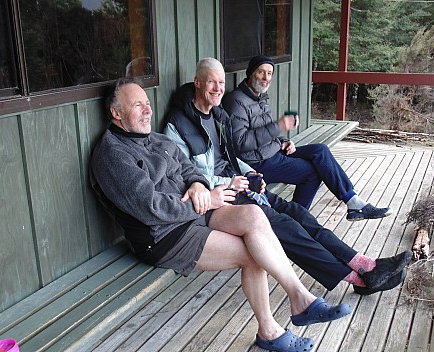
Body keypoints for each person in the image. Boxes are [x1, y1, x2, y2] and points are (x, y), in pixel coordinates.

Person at [90, 77, 354, 352]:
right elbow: (151, 209)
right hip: (164, 235)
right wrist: (205, 200)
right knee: (253, 254)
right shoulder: (113, 155)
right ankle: (271, 330)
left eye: (147, 103)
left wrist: (197, 185)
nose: (147, 110)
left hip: (194, 213)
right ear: (116, 113)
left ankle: (300, 298)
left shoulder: (154, 139)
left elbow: (188, 167)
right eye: (137, 105)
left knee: (253, 214)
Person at [163, 57, 411, 297]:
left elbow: (230, 154)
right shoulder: (179, 124)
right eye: (211, 83)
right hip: (221, 198)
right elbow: (188, 175)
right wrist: (231, 182)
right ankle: (360, 278)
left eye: (221, 82)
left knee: (300, 214)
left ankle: (365, 263)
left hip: (242, 183)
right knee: (290, 227)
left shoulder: (217, 116)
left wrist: (248, 172)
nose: (218, 89)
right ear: (197, 82)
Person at [222, 55, 392, 220]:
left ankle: (353, 201)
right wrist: (279, 126)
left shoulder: (260, 98)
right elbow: (241, 143)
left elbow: (266, 131)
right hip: (257, 163)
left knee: (320, 150)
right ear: (251, 73)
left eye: (269, 73)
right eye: (261, 72)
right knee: (312, 173)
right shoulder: (237, 101)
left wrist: (284, 141)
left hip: (274, 151)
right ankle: (297, 220)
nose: (266, 77)